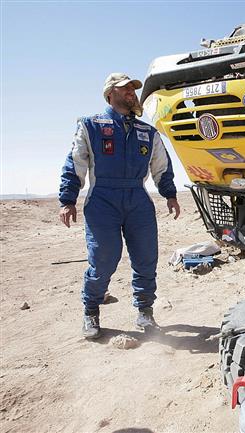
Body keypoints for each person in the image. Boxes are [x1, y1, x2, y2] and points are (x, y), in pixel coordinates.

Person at [58, 72, 181, 339]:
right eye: (125, 88)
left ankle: (145, 312)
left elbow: (161, 167)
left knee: (146, 258)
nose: (131, 93)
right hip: (102, 200)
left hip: (138, 199)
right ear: (110, 93)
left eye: (133, 89)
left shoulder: (147, 132)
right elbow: (75, 163)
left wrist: (169, 194)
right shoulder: (91, 126)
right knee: (103, 258)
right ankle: (91, 310)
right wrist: (68, 199)